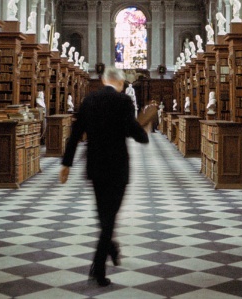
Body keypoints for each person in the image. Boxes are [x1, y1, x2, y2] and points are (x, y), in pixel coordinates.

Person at [60, 66, 149, 287]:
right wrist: (143, 133)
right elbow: (134, 131)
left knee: (103, 215)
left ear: (102, 80)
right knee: (110, 217)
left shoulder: (89, 100)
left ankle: (110, 247)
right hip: (118, 166)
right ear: (120, 83)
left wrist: (66, 163)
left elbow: (75, 133)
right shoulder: (124, 102)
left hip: (96, 165)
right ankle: (99, 266)